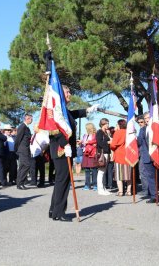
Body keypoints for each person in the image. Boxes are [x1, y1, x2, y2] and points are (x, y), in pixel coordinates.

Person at [49, 85, 98, 221]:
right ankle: (59, 213)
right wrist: (66, 146)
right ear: (60, 94)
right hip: (61, 150)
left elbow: (73, 114)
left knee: (60, 181)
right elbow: (55, 130)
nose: (70, 94)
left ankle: (54, 209)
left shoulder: (63, 110)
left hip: (64, 150)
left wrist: (88, 110)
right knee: (63, 181)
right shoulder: (56, 110)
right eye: (67, 92)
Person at [110, 119, 131, 196]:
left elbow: (113, 145)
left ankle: (121, 191)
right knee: (128, 174)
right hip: (128, 155)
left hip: (119, 155)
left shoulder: (117, 132)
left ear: (119, 125)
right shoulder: (129, 132)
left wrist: (111, 145)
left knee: (119, 175)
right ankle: (129, 191)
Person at [14, 113, 33, 189]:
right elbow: (18, 139)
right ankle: (21, 182)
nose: (31, 120)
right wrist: (16, 149)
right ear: (27, 119)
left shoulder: (26, 127)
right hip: (22, 149)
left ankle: (19, 184)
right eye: (31, 119)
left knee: (22, 166)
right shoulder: (22, 127)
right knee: (27, 165)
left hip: (26, 149)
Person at [95, 118, 112, 195]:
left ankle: (104, 188)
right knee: (101, 171)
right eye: (107, 123)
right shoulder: (99, 132)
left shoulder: (106, 132)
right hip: (102, 153)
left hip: (107, 152)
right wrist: (108, 142)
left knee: (104, 171)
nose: (108, 125)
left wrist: (108, 135)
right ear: (103, 124)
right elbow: (100, 143)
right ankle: (100, 189)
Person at [81, 123, 99, 191]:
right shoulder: (85, 135)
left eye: (86, 128)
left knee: (94, 170)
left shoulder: (95, 135)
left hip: (93, 154)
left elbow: (96, 141)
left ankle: (95, 185)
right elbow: (83, 144)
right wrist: (81, 142)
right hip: (86, 153)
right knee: (87, 170)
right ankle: (87, 185)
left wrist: (88, 142)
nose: (86, 129)